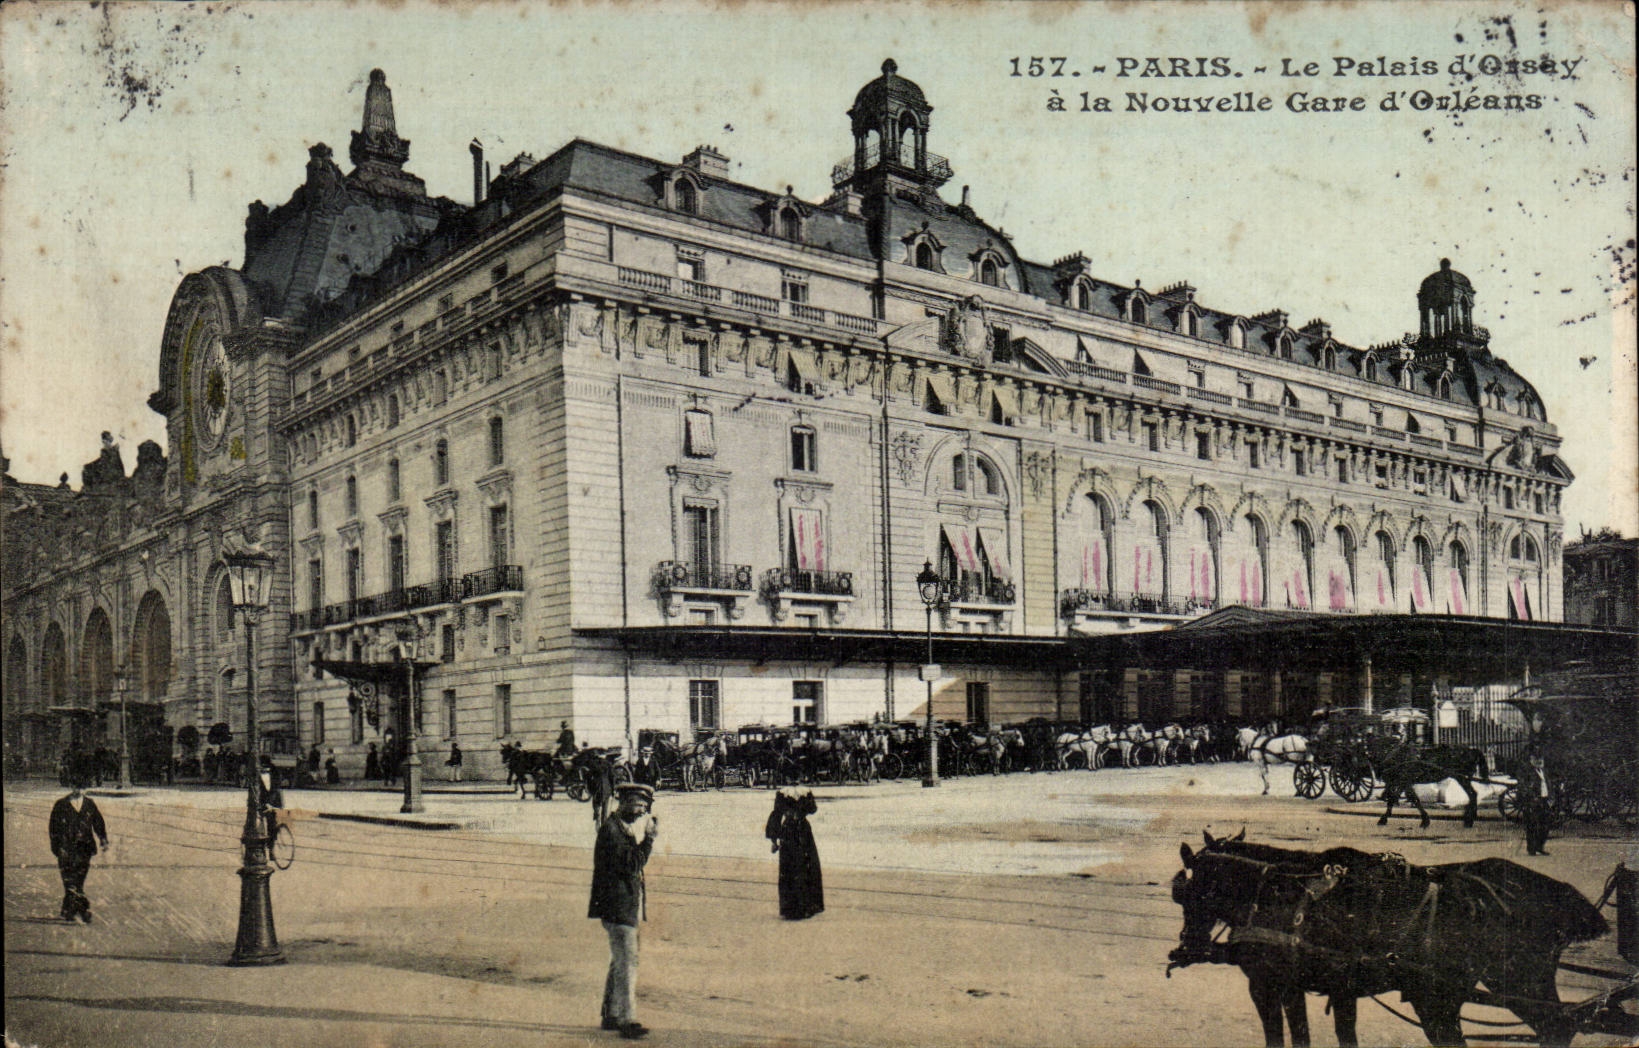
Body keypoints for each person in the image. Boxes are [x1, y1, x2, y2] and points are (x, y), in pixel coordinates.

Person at [589, 782, 658, 1040]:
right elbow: (632, 864)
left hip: (620, 905)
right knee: (628, 962)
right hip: (618, 906)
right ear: (625, 801)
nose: (641, 810)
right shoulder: (613, 831)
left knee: (620, 960)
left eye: (644, 806)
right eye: (638, 804)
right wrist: (649, 840)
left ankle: (610, 1013)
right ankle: (628, 1019)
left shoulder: (619, 827)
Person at [49, 777, 109, 923]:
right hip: (66, 847)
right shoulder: (61, 804)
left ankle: (69, 909)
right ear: (71, 786)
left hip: (84, 847)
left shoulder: (89, 804)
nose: (79, 790)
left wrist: (103, 839)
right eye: (76, 787)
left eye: (82, 788)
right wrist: (56, 847)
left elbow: (98, 822)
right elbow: (53, 828)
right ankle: (80, 911)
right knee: (69, 879)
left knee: (79, 880)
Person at [765, 788, 825, 920]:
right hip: (803, 830)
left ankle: (790, 908)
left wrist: (774, 841)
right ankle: (807, 906)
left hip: (789, 831)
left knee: (789, 868)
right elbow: (813, 809)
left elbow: (776, 814)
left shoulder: (782, 793)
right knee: (806, 866)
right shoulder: (805, 791)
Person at [1521, 751, 1553, 856]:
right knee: (1532, 825)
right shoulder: (1527, 772)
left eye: (1541, 760)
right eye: (1536, 760)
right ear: (1531, 760)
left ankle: (1540, 846)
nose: (1539, 762)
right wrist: (1532, 798)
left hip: (1544, 801)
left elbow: (1549, 784)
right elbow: (1524, 787)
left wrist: (1550, 798)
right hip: (1533, 802)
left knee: (1545, 825)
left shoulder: (1545, 771)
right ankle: (1531, 848)